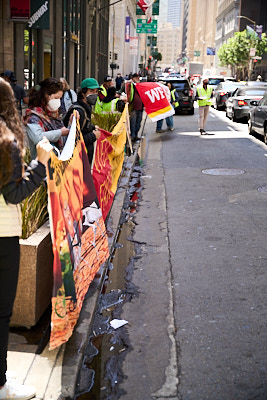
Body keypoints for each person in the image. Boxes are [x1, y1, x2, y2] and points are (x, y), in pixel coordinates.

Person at [0, 76, 53, 400]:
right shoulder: (6, 142)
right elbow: (15, 194)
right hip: (2, 235)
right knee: (1, 312)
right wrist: (41, 163)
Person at [23, 77, 70, 158]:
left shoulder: (53, 114)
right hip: (43, 164)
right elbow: (37, 137)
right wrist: (60, 132)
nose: (58, 101)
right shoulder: (33, 116)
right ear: (46, 95)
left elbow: (64, 135)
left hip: (57, 161)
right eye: (56, 98)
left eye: (60, 98)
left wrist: (70, 124)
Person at [64, 78, 101, 165]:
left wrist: (92, 127)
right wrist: (93, 136)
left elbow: (83, 129)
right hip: (78, 163)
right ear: (83, 93)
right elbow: (73, 140)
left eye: (96, 91)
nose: (95, 94)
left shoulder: (85, 108)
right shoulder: (78, 112)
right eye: (91, 91)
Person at [126, 73, 144, 142]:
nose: (137, 78)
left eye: (138, 77)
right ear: (132, 78)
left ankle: (136, 135)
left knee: (138, 123)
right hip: (133, 107)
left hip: (140, 108)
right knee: (133, 123)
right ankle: (133, 136)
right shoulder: (130, 85)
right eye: (136, 77)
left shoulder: (141, 86)